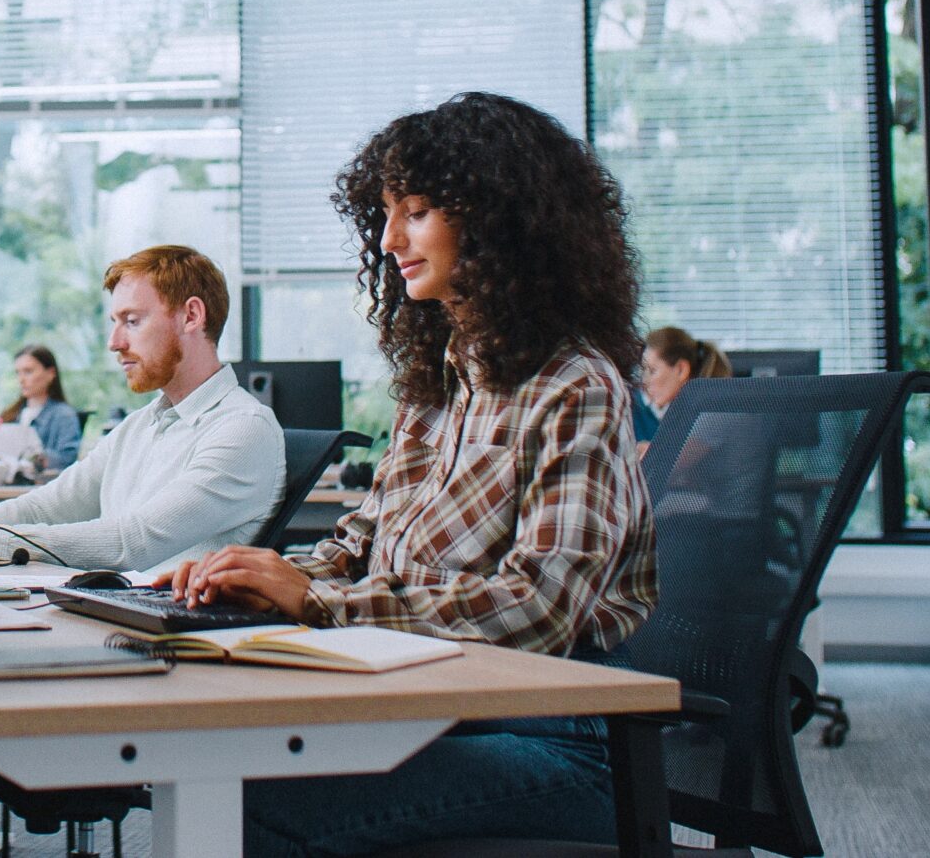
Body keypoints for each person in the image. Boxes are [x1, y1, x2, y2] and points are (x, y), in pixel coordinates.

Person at [169, 92, 659, 856]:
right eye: (388, 213)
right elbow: (360, 541)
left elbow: (542, 606)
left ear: (501, 223)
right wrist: (256, 578)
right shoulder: (439, 381)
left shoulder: (576, 383)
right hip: (428, 704)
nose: (391, 237)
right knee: (217, 766)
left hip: (560, 739)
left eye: (419, 210)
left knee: (249, 803)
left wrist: (322, 603)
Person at [0, 246, 284, 574]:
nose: (114, 342)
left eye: (132, 321)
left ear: (191, 316)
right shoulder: (141, 424)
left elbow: (131, 543)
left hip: (166, 621)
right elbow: (48, 506)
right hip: (107, 608)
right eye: (115, 322)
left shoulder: (244, 429)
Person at [637, 324, 731, 443]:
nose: (645, 381)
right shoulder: (675, 412)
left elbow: (674, 458)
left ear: (681, 369)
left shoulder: (711, 416)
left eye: (652, 370)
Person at [3, 344, 82, 469]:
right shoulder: (10, 415)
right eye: (18, 373)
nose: (21, 379)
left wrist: (36, 458)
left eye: (28, 371)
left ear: (50, 373)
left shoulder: (64, 415)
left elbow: (67, 460)